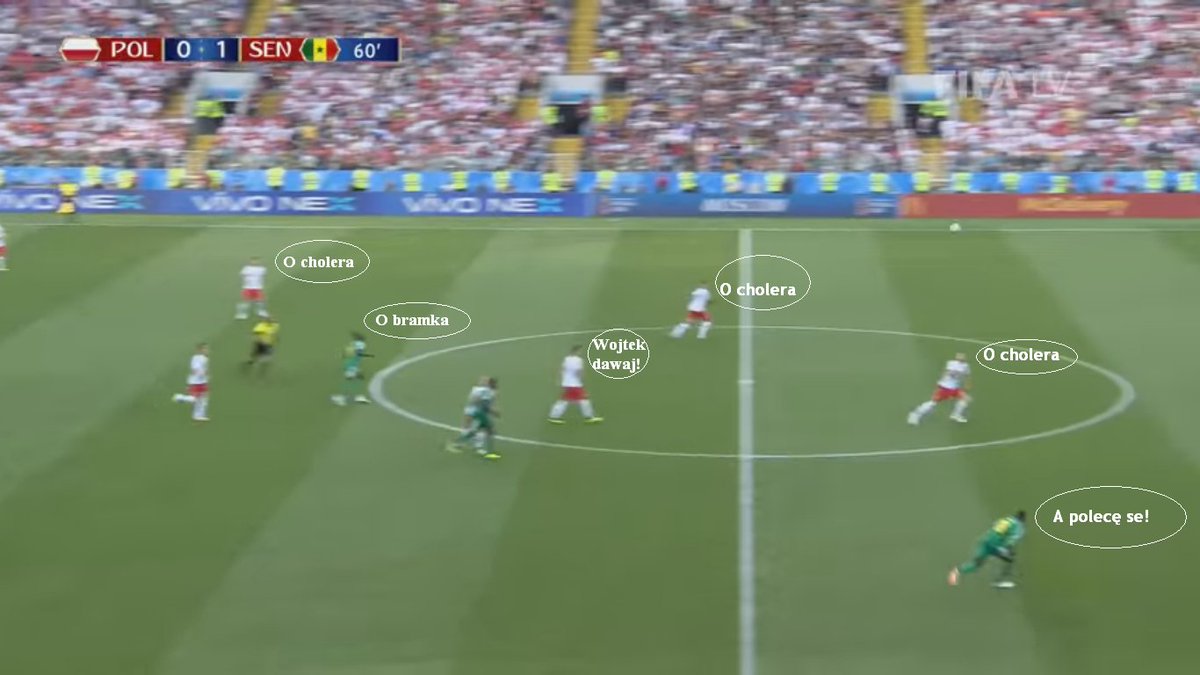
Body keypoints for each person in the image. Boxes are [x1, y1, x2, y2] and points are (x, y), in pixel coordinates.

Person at [949, 511, 1026, 589]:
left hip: (986, 541)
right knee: (1010, 559)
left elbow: (995, 526)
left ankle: (956, 571)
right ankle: (999, 581)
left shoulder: (1006, 519)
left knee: (976, 564)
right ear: (1022, 520)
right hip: (995, 546)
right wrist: (1009, 549)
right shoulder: (1018, 526)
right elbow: (1012, 539)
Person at [908, 352, 971, 425]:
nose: (960, 358)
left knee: (966, 399)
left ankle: (956, 415)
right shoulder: (952, 364)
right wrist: (940, 382)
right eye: (959, 357)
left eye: (962, 357)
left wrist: (967, 384)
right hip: (945, 387)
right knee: (933, 403)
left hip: (954, 388)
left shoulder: (965, 366)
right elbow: (947, 373)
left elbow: (967, 375)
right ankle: (915, 414)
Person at [447, 376, 501, 460]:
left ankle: (458, 443)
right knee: (489, 431)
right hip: (480, 413)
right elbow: (483, 404)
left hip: (479, 412)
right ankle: (487, 452)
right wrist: (494, 412)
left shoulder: (484, 390)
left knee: (477, 431)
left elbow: (478, 401)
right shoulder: (487, 391)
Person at [548, 346, 603, 424]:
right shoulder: (578, 360)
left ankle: (554, 416)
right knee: (583, 399)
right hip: (575, 384)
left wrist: (560, 380)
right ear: (577, 351)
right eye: (580, 351)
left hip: (567, 383)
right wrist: (581, 380)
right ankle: (589, 417)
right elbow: (579, 372)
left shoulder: (566, 359)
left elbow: (561, 369)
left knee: (565, 400)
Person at [171, 343, 211, 422]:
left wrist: (205, 376)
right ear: (200, 350)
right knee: (195, 399)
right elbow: (195, 369)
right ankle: (179, 397)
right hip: (196, 382)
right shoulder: (197, 358)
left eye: (207, 349)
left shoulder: (204, 358)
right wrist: (203, 374)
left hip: (202, 382)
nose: (207, 350)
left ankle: (198, 416)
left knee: (203, 399)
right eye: (205, 349)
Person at [332, 333, 373, 406]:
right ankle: (349, 397)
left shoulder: (354, 344)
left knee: (353, 380)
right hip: (352, 365)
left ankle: (347, 398)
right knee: (354, 380)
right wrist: (367, 355)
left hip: (351, 365)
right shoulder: (360, 345)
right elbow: (357, 353)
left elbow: (347, 353)